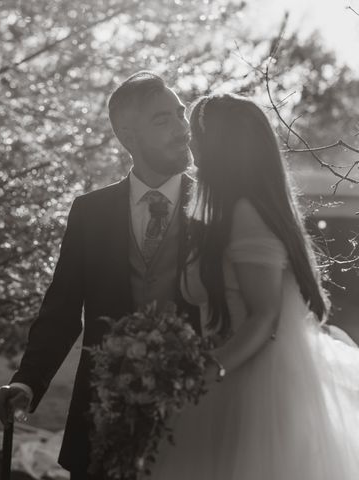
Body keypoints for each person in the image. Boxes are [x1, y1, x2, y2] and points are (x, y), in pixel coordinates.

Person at [0, 71, 200, 479]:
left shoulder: (216, 208)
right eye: (163, 119)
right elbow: (62, 310)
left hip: (195, 419)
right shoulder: (90, 212)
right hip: (102, 420)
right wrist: (27, 383)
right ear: (128, 133)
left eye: (181, 114)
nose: (182, 129)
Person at [146, 93, 359, 479]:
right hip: (232, 376)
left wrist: (207, 372)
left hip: (249, 389)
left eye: (195, 132)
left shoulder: (247, 215)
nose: (188, 140)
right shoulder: (226, 214)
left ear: (221, 146)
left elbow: (264, 316)